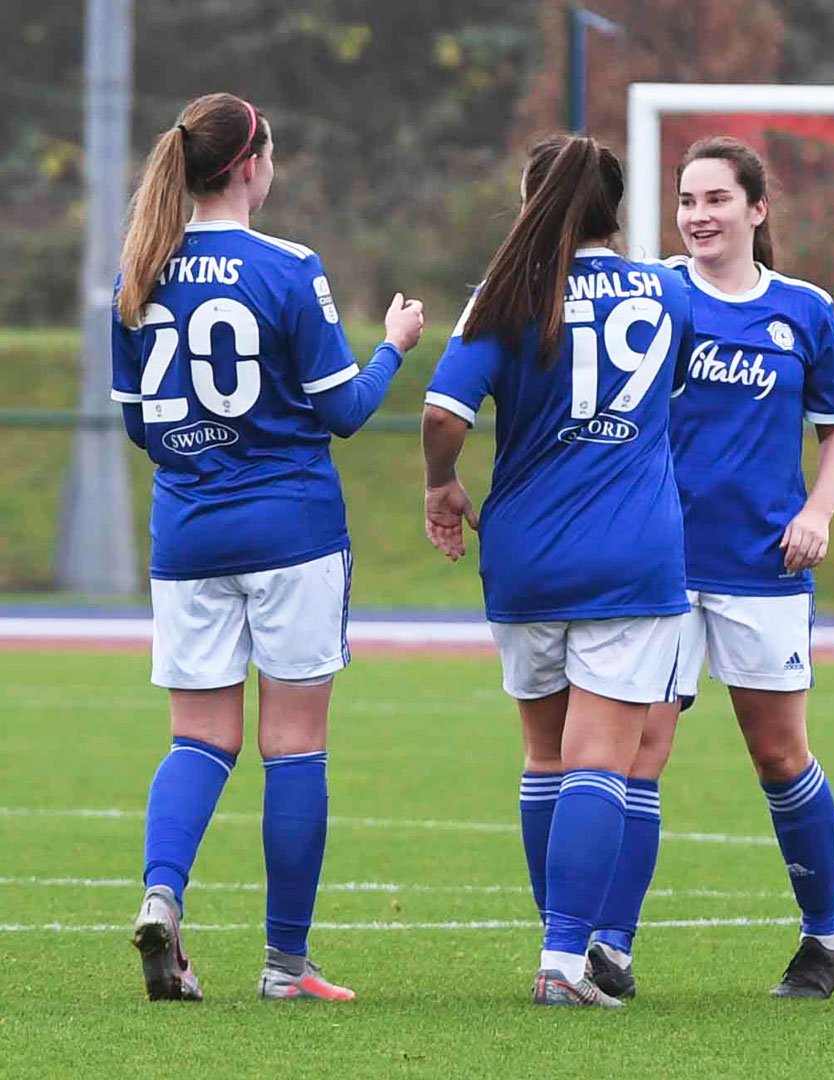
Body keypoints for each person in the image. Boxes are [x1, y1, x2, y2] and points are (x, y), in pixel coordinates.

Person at [112, 92, 425, 1002]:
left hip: (188, 536)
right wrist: (394, 346)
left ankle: (163, 897)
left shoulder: (137, 271)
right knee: (294, 746)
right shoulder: (289, 266)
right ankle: (286, 965)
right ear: (251, 166)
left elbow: (141, 429)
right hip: (290, 533)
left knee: (200, 739)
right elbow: (346, 411)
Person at [420, 133, 695, 1009]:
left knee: (546, 757)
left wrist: (440, 487)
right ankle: (566, 961)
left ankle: (558, 948)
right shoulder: (667, 291)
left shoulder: (502, 296)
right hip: (632, 553)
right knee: (601, 765)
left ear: (533, 200)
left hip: (528, 556)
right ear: (615, 211)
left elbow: (442, 414)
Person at [584, 135, 834, 1001]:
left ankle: (826, 942)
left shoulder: (805, 310)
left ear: (756, 209)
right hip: (663, 567)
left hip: (763, 567)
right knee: (641, 753)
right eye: (685, 200)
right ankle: (609, 950)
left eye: (714, 199)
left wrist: (817, 513)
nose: (697, 216)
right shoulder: (657, 295)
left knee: (779, 756)